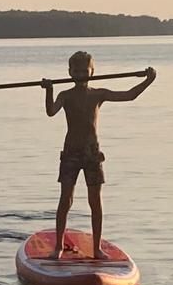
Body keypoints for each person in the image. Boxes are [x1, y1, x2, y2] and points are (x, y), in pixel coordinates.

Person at [42, 52, 156, 260]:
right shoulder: (65, 95)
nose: (80, 75)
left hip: (92, 154)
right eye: (76, 71)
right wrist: (49, 90)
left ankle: (97, 248)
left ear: (92, 72)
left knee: (95, 201)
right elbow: (50, 111)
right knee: (65, 200)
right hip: (71, 154)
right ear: (69, 73)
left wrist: (149, 80)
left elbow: (129, 95)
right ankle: (58, 246)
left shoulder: (98, 94)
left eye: (84, 71)